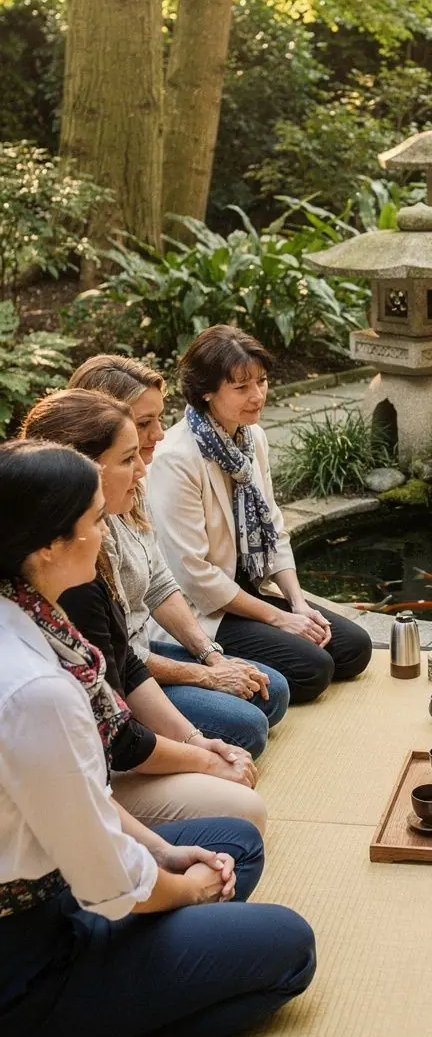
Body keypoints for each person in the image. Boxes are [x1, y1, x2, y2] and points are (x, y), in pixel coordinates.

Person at [0, 439, 315, 1037]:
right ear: (46, 546)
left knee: (231, 843)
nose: (104, 528)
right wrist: (184, 887)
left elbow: (83, 805)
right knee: (288, 948)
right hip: (27, 958)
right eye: (93, 519)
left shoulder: (30, 617)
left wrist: (168, 855)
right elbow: (109, 885)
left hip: (53, 887)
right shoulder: (34, 690)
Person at [21, 390, 266, 829]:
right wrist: (203, 756)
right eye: (130, 455)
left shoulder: (80, 558)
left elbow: (125, 663)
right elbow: (114, 742)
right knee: (241, 815)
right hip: (74, 789)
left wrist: (198, 741)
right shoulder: (65, 588)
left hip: (101, 756)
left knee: (271, 700)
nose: (144, 466)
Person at [68, 354, 289, 757]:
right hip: (122, 672)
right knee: (249, 728)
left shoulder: (132, 483)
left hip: (140, 656)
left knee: (273, 690)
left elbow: (159, 583)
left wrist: (209, 655)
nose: (160, 435)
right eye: (144, 424)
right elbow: (118, 657)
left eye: (158, 419)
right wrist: (205, 677)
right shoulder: (84, 531)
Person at [147, 325, 371, 704]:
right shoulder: (175, 458)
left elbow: (275, 529)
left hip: (248, 591)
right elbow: (194, 576)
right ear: (206, 391)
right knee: (314, 669)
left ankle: (272, 650)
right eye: (241, 387)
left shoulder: (252, 438)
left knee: (353, 647)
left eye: (262, 381)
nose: (258, 396)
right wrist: (279, 618)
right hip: (204, 609)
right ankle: (219, 673)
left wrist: (298, 604)